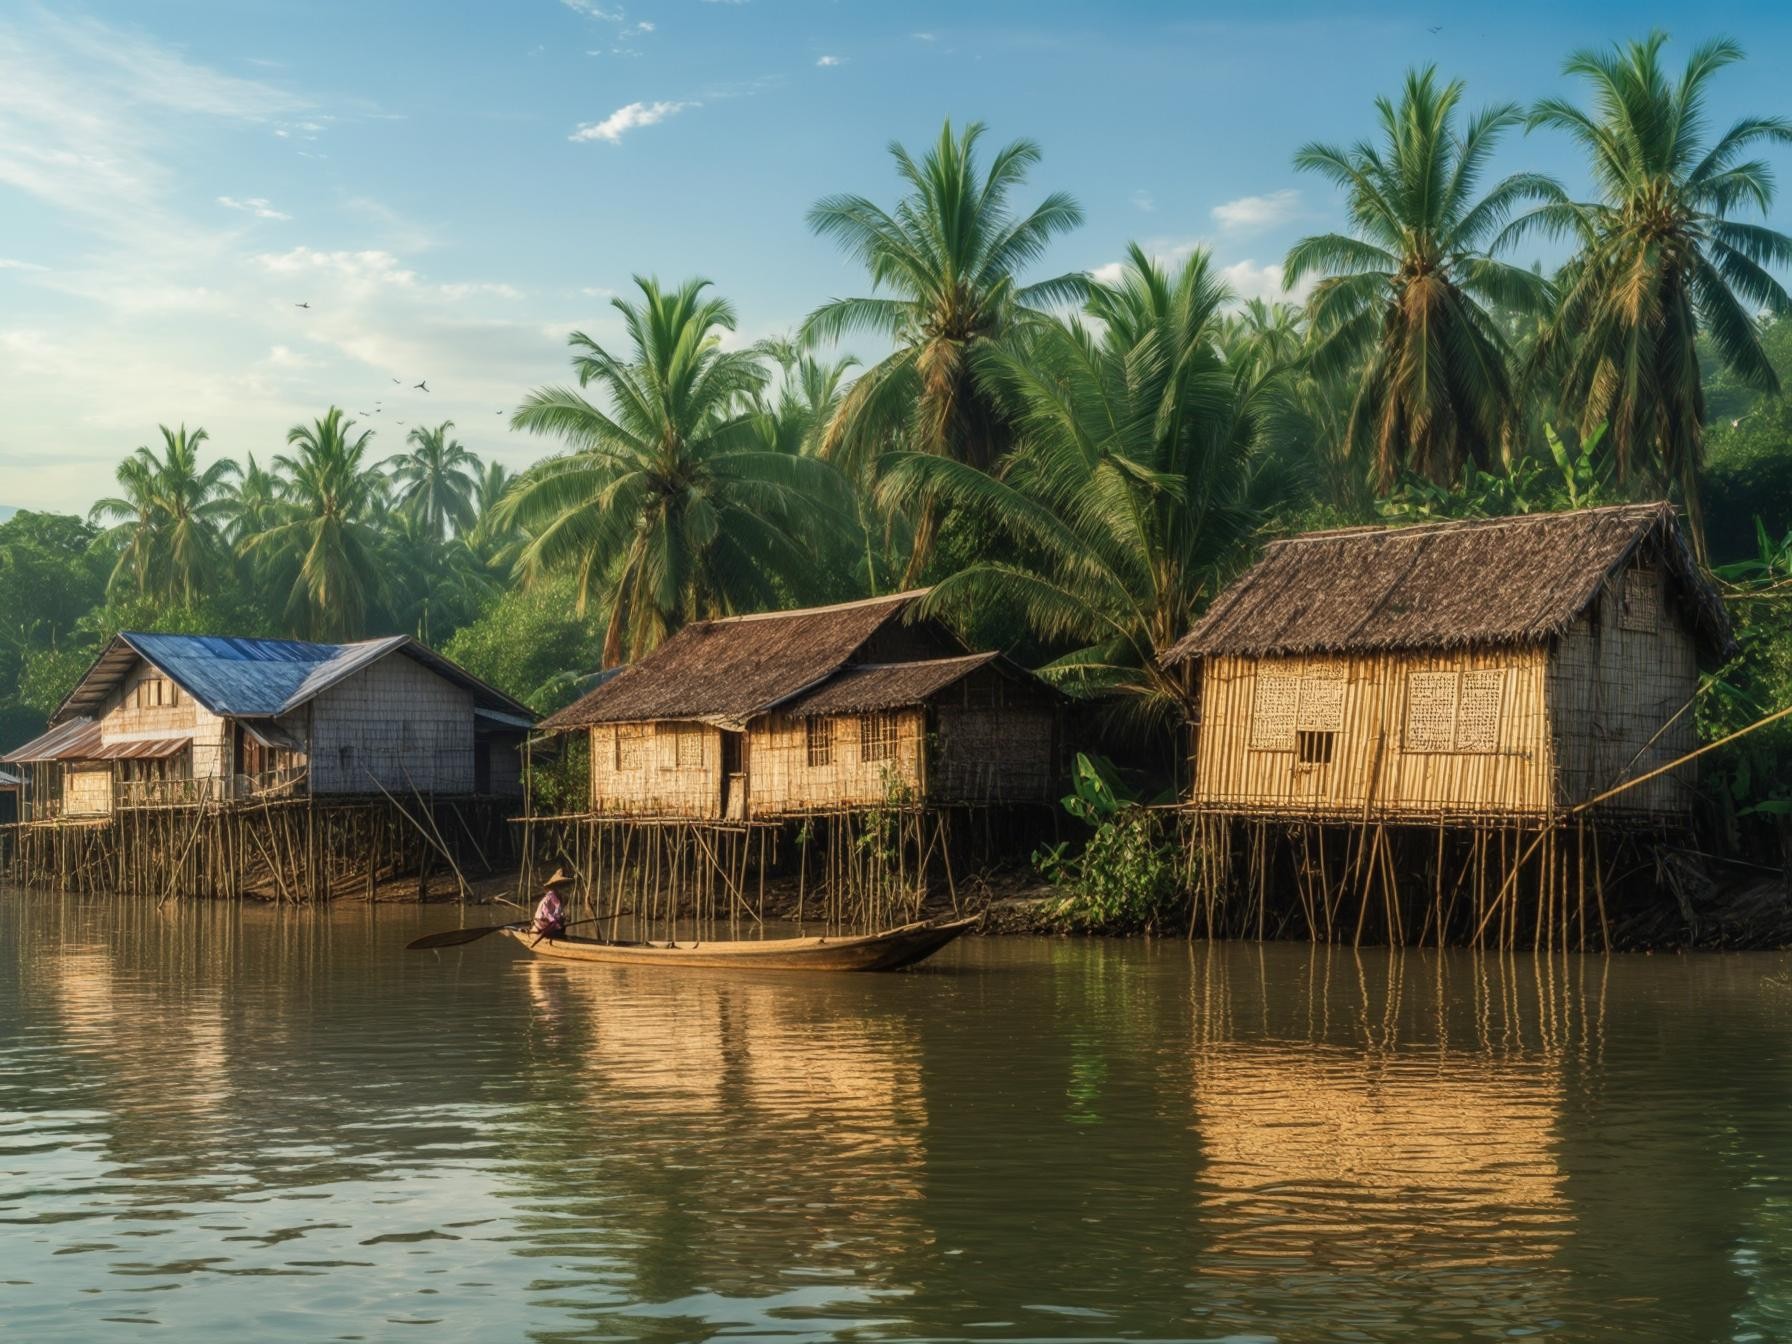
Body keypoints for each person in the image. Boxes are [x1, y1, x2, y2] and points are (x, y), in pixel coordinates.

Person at [533, 869, 570, 939]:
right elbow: (545, 911)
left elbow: (557, 911)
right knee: (558, 925)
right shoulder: (550, 896)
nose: (561, 886)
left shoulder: (558, 896)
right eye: (559, 884)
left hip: (549, 922)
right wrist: (553, 920)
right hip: (541, 921)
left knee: (561, 923)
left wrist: (561, 917)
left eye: (562, 884)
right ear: (554, 885)